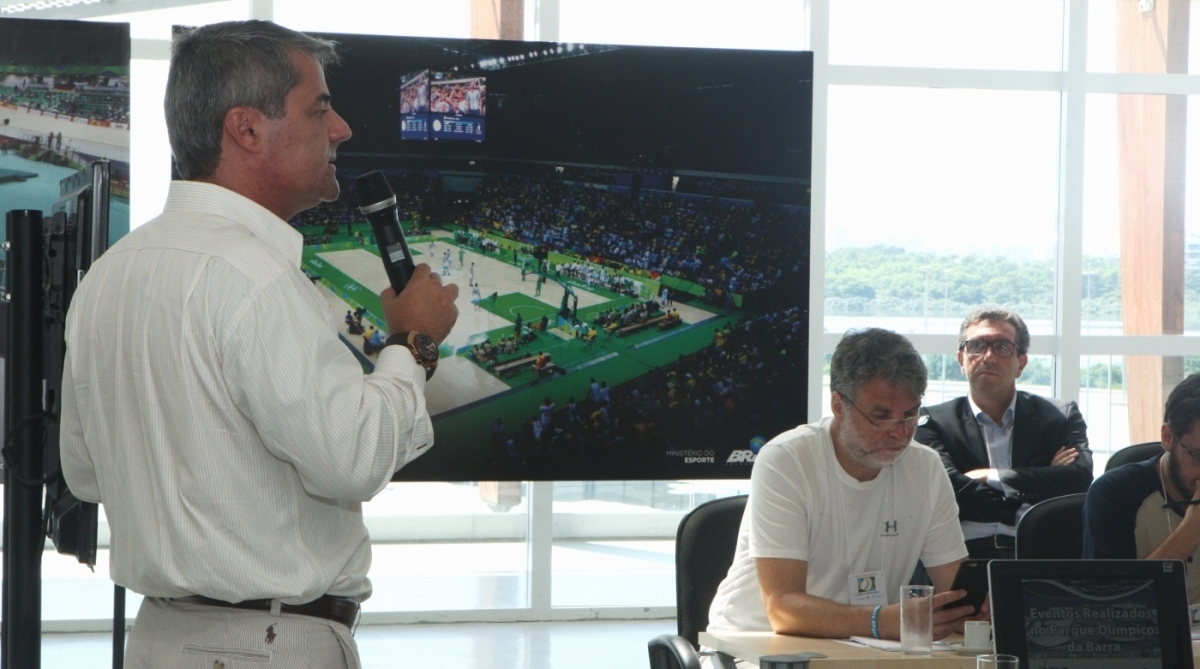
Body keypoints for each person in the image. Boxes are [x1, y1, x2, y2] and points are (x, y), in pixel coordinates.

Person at [58, 21, 458, 668]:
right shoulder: (258, 279)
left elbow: (82, 472)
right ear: (246, 129)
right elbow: (354, 459)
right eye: (320, 107)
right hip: (264, 645)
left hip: (158, 639)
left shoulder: (108, 275)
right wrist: (412, 341)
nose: (341, 129)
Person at [706, 328, 976, 648]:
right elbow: (782, 609)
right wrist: (880, 620)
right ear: (838, 405)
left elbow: (957, 599)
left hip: (867, 647)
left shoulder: (926, 468)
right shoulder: (786, 460)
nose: (899, 432)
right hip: (755, 644)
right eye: (881, 417)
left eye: (910, 414)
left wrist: (976, 614)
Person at [916, 308, 1092, 559]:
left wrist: (990, 477)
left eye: (1001, 347)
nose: (987, 357)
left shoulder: (1059, 415)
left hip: (1039, 552)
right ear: (961, 361)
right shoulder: (931, 421)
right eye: (976, 346)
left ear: (1021, 362)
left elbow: (1079, 480)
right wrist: (1039, 486)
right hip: (963, 555)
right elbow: (944, 491)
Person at [1084, 372, 1200, 604]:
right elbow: (1107, 605)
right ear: (1168, 437)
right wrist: (1191, 529)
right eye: (1198, 456)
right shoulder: (1114, 494)